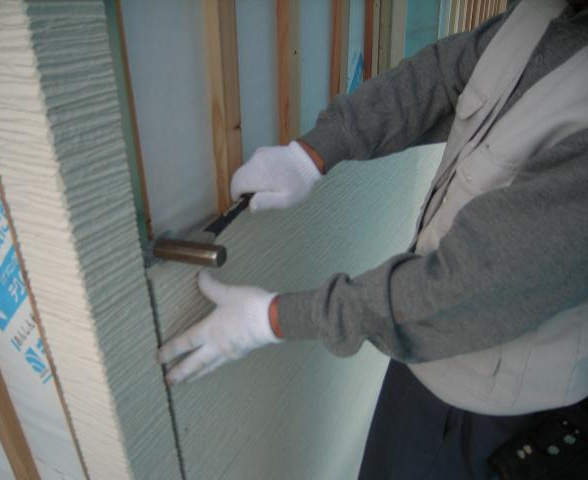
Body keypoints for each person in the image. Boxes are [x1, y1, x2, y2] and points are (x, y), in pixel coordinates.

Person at [159, 0, 588, 477]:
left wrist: (272, 319)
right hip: (420, 344)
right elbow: (439, 77)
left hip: (491, 406)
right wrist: (312, 153)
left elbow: (477, 279)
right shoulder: (543, 14)